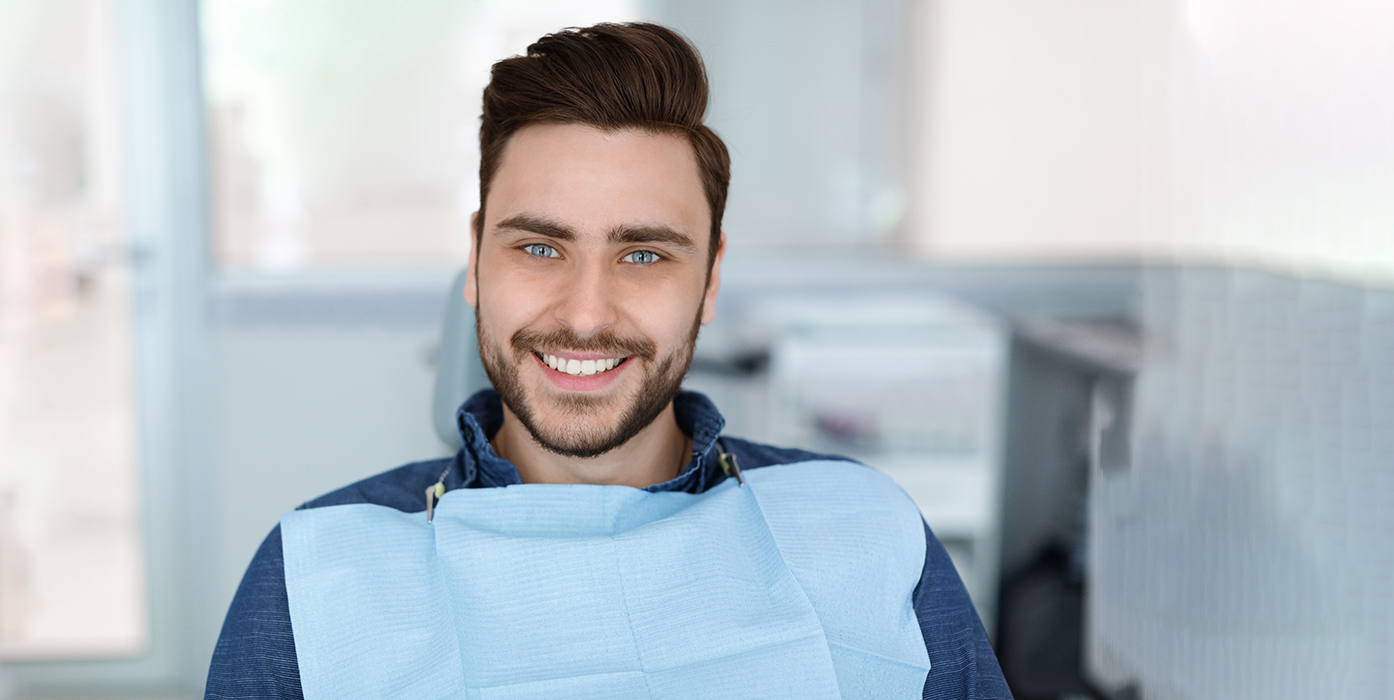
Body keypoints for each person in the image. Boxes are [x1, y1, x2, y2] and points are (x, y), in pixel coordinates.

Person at [205, 22, 1009, 699]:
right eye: (540, 246)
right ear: (477, 260)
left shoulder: (862, 528)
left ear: (712, 278)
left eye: (646, 256)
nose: (586, 315)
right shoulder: (318, 570)